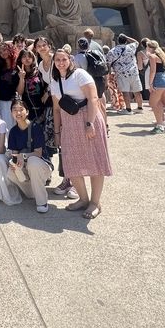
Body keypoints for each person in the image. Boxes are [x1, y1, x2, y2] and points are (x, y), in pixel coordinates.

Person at [50, 49, 112, 219]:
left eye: (64, 59)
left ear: (70, 60)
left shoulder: (80, 74)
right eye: (58, 60)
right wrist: (56, 132)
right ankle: (83, 199)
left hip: (87, 117)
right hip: (69, 121)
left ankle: (95, 202)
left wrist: (90, 123)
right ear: (54, 62)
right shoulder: (55, 81)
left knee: (95, 160)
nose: (61, 62)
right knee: (72, 161)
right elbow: (56, 109)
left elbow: (93, 99)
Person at [6, 99, 53, 213]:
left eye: (21, 109)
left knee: (32, 161)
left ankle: (42, 201)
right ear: (11, 113)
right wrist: (14, 163)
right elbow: (15, 154)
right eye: (14, 110)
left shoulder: (35, 127)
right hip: (26, 167)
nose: (18, 113)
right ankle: (33, 192)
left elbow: (38, 153)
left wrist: (24, 156)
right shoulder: (13, 132)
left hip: (41, 165)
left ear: (26, 112)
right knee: (11, 172)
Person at [106, 34, 143, 113]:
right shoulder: (131, 47)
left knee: (125, 91)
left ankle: (128, 109)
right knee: (137, 91)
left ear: (117, 41)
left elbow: (108, 63)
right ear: (126, 41)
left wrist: (109, 74)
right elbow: (136, 42)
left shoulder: (112, 51)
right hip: (133, 72)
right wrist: (127, 37)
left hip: (121, 73)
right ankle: (140, 107)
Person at [16, 49, 46, 124]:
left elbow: (46, 86)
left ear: (33, 58)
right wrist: (22, 78)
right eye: (24, 57)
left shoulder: (39, 71)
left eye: (29, 56)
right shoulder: (17, 74)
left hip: (42, 108)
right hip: (28, 109)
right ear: (20, 59)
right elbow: (19, 93)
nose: (27, 59)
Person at [0, 42, 19, 131]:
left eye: (4, 50)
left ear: (10, 50)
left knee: (17, 125)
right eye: (0, 52)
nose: (3, 53)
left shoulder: (18, 65)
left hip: (15, 101)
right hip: (2, 101)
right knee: (6, 128)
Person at [146, 40, 165, 133]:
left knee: (153, 103)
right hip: (164, 79)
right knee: (161, 103)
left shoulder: (152, 56)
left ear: (149, 47)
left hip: (158, 80)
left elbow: (153, 71)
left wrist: (150, 84)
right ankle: (161, 123)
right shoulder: (162, 55)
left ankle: (160, 125)